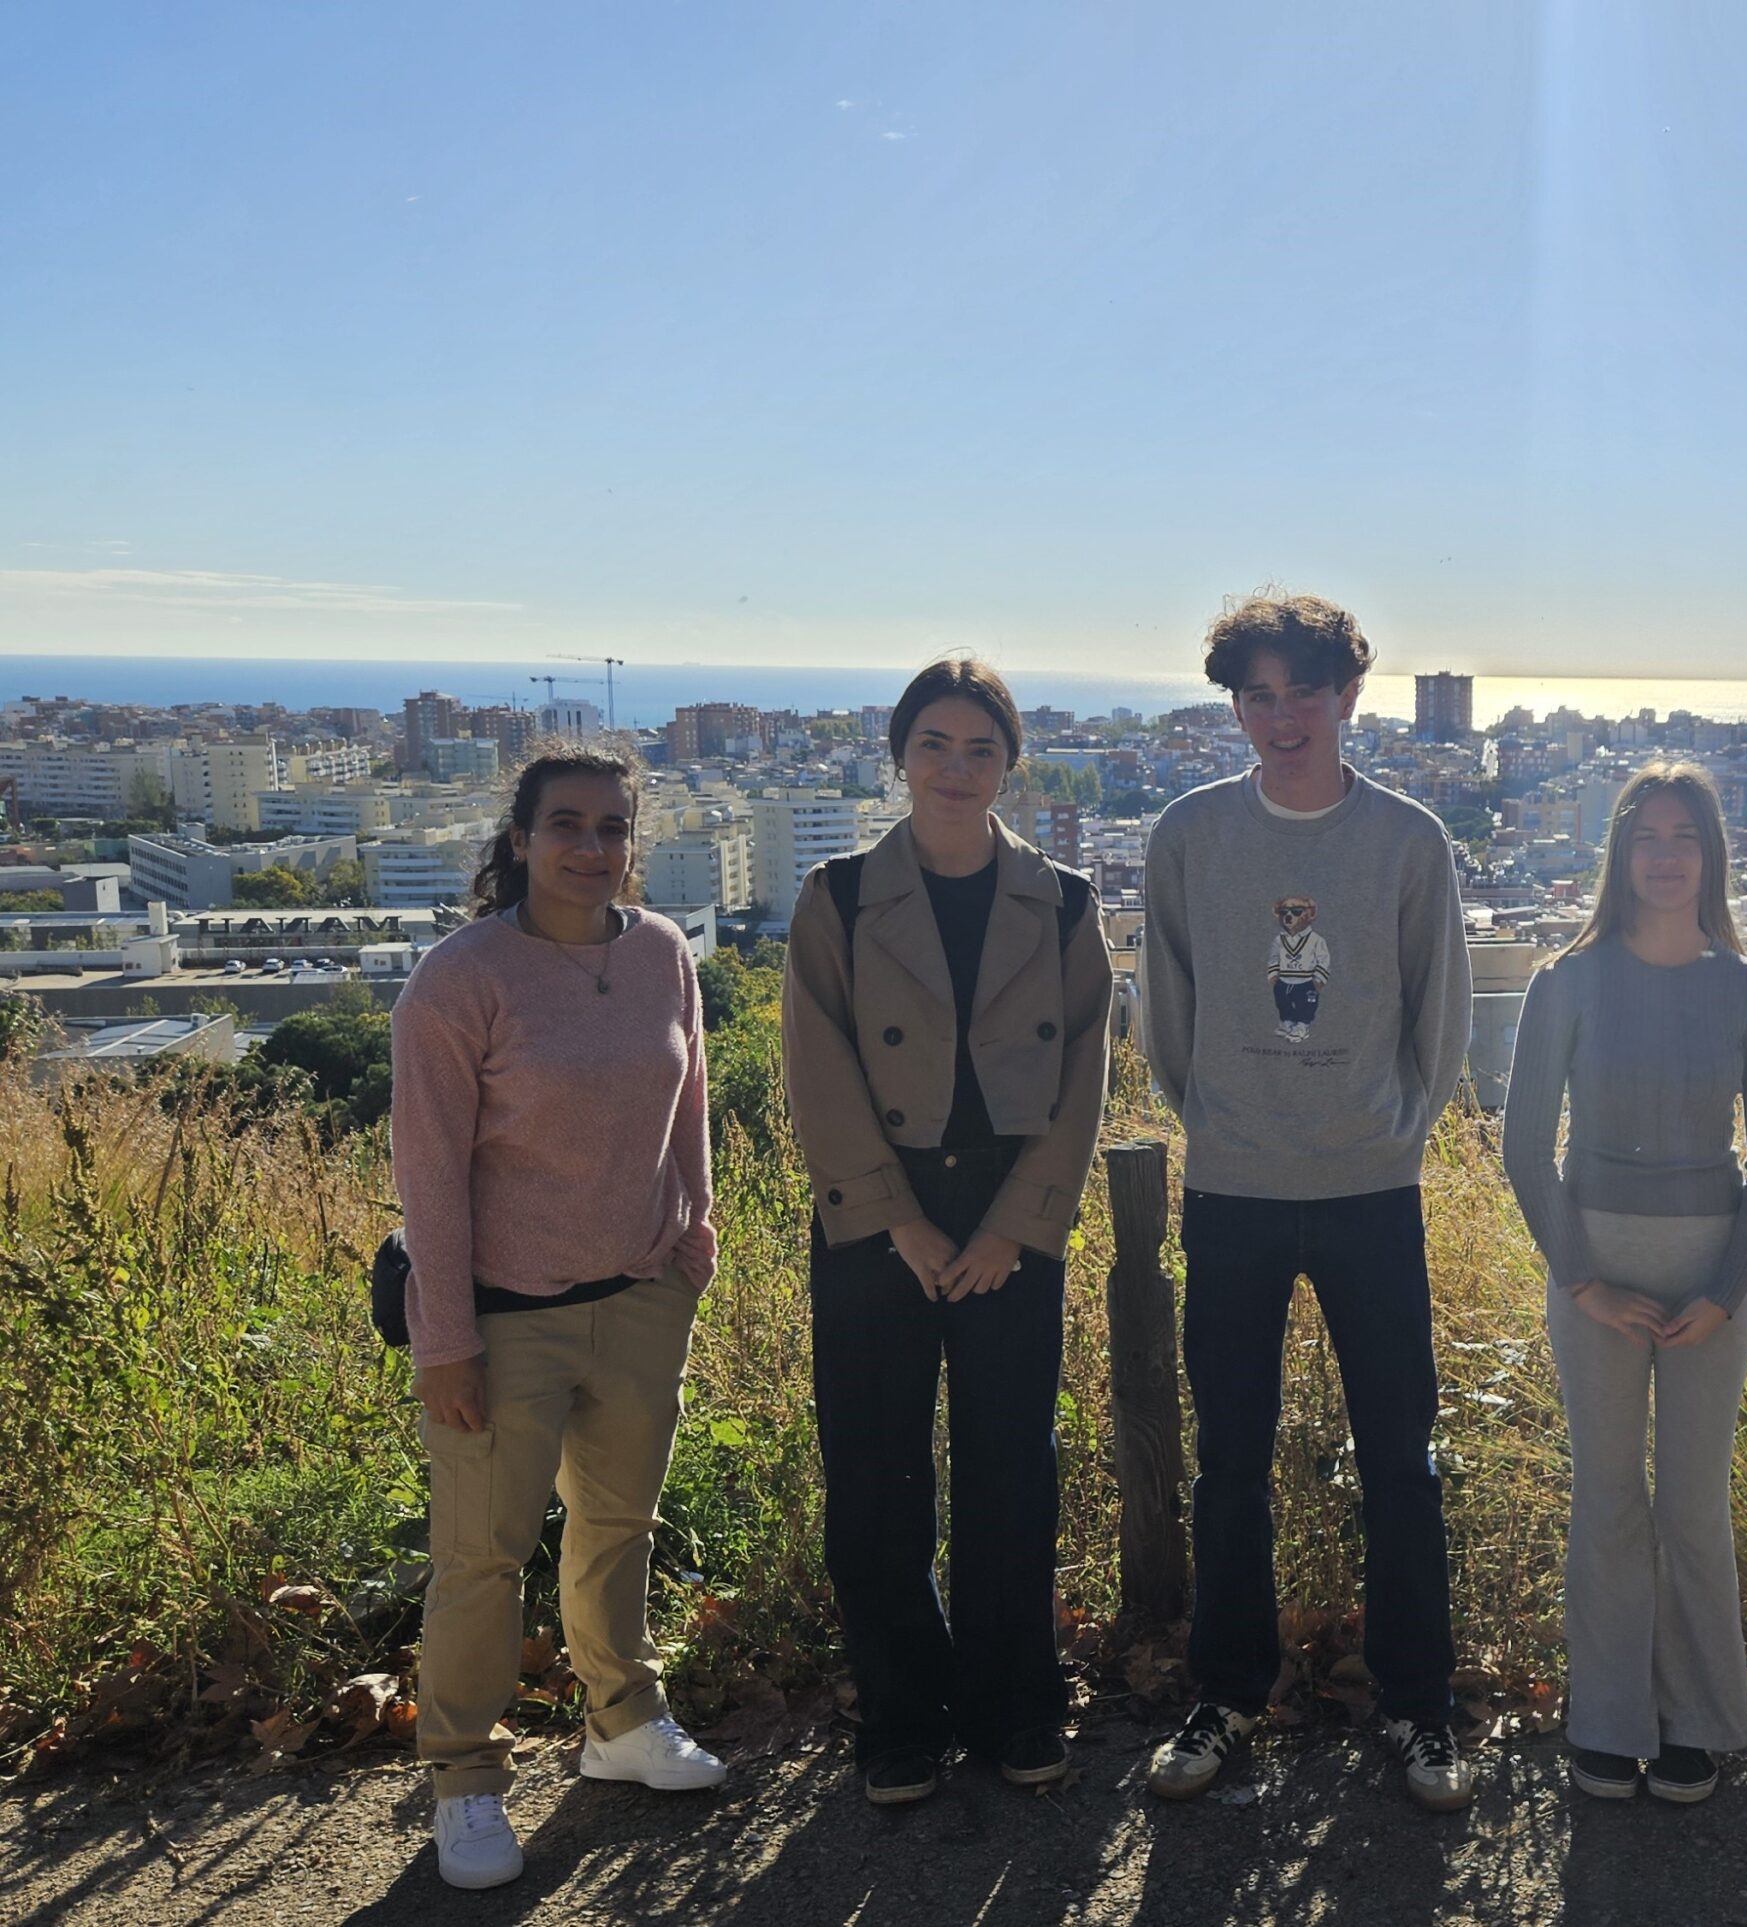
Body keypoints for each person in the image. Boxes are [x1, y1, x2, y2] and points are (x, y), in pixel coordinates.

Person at [1139, 593, 1476, 1812]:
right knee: (1228, 1457)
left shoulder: (1406, 839)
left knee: (1402, 1456)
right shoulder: (1189, 833)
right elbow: (1164, 1006)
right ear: (1236, 705)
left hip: (1368, 1186)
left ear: (1348, 697)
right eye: (1258, 695)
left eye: (1303, 692)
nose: (1281, 717)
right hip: (1232, 1184)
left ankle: (1417, 1705)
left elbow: (1441, 1011)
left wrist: (1393, 1131)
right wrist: (1216, 1118)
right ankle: (1228, 1694)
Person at [392, 746, 726, 1892]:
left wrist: (694, 1233)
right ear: (522, 838)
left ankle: (622, 1718)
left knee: (618, 1524)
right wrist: (445, 1338)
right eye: (567, 825)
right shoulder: (461, 978)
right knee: (482, 1556)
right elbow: (429, 1174)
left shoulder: (662, 951)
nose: (591, 847)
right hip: (505, 1318)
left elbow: (689, 1099)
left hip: (639, 1299)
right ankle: (464, 1777)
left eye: (612, 827)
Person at [782, 658, 1111, 1808]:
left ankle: (1015, 1703)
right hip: (880, 1210)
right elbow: (817, 1067)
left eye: (980, 747)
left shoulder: (1064, 902)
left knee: (1011, 1468)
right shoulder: (835, 896)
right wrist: (899, 1221)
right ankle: (899, 1713)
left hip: (1010, 1209)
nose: (956, 767)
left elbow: (1084, 1073)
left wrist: (1016, 1227)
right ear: (899, 757)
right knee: (874, 1471)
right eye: (934, 743)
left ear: (1010, 764)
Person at [1502, 764, 1747, 1805]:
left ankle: (1696, 1720)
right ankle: (1607, 1719)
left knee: (1693, 1505)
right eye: (1646, 836)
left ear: (1712, 854)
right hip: (1595, 1267)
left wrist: (1723, 1291)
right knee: (1608, 1498)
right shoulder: (1565, 980)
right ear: (1618, 854)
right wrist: (1583, 1282)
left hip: (1712, 1273)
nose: (1666, 855)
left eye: (1685, 836)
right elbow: (1525, 1149)